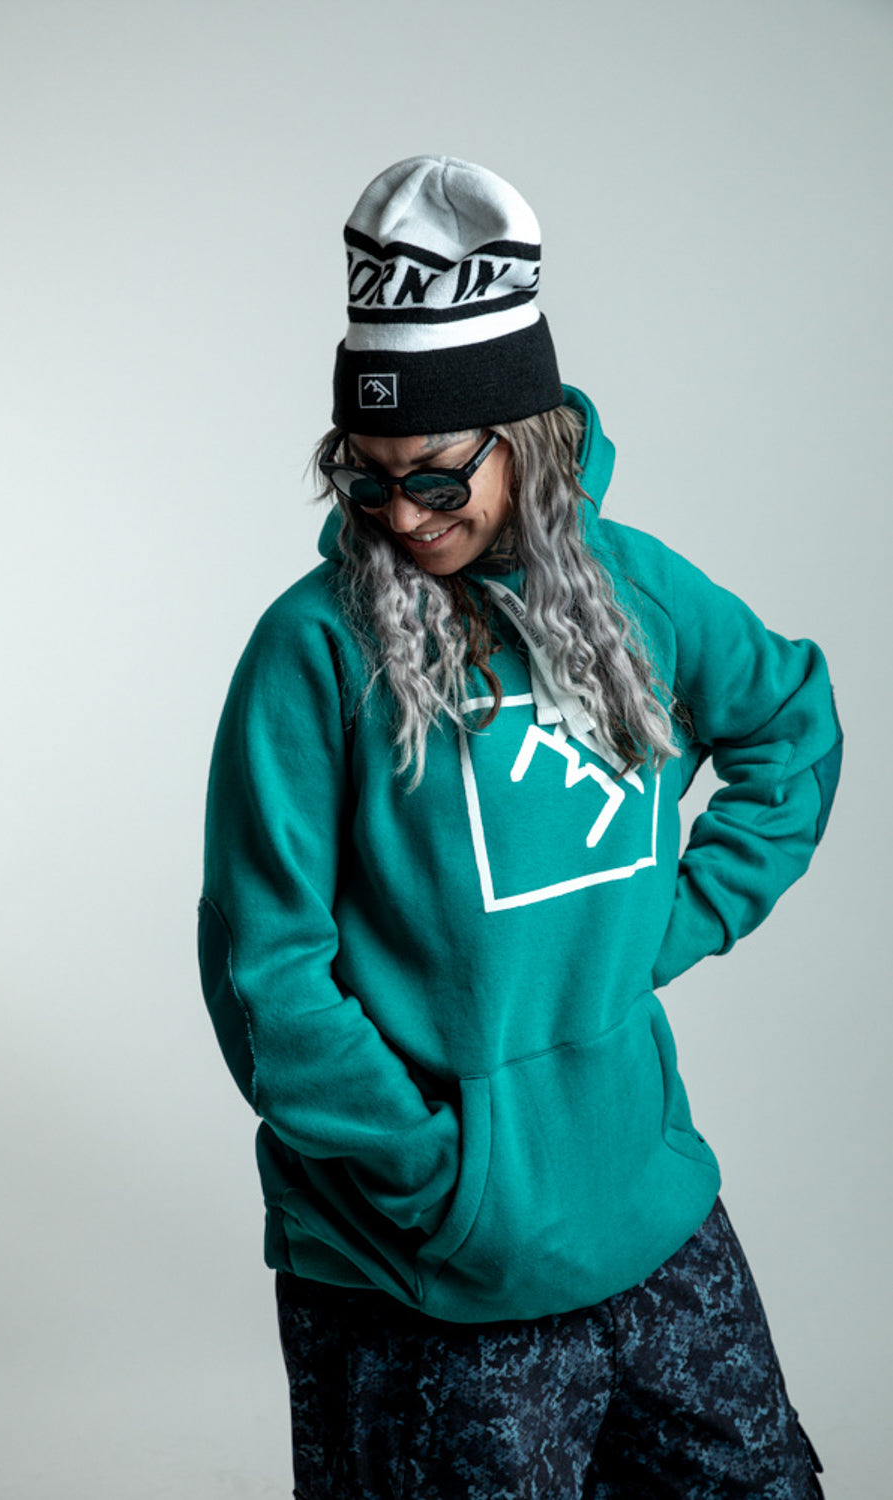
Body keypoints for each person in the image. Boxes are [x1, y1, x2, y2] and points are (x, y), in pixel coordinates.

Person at [198, 156, 840, 1499]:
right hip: (426, 1265)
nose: (400, 517)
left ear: (528, 440)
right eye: (366, 481)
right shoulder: (310, 653)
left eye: (437, 479)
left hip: (645, 1207)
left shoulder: (637, 591)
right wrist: (437, 1179)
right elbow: (267, 971)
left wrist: (675, 921)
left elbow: (788, 725)